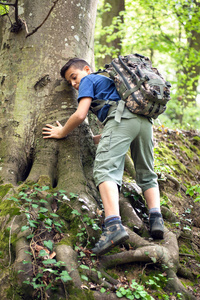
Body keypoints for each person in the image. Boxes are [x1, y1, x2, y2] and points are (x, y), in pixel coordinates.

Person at [42, 58, 164, 256]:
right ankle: (156, 218)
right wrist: (93, 139)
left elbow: (81, 114)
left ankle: (113, 226)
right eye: (70, 82)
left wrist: (62, 131)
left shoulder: (89, 80)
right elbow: (119, 128)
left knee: (105, 170)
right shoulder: (112, 84)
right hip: (144, 123)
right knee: (146, 171)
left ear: (87, 69)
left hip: (122, 118)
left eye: (74, 77)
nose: (74, 83)